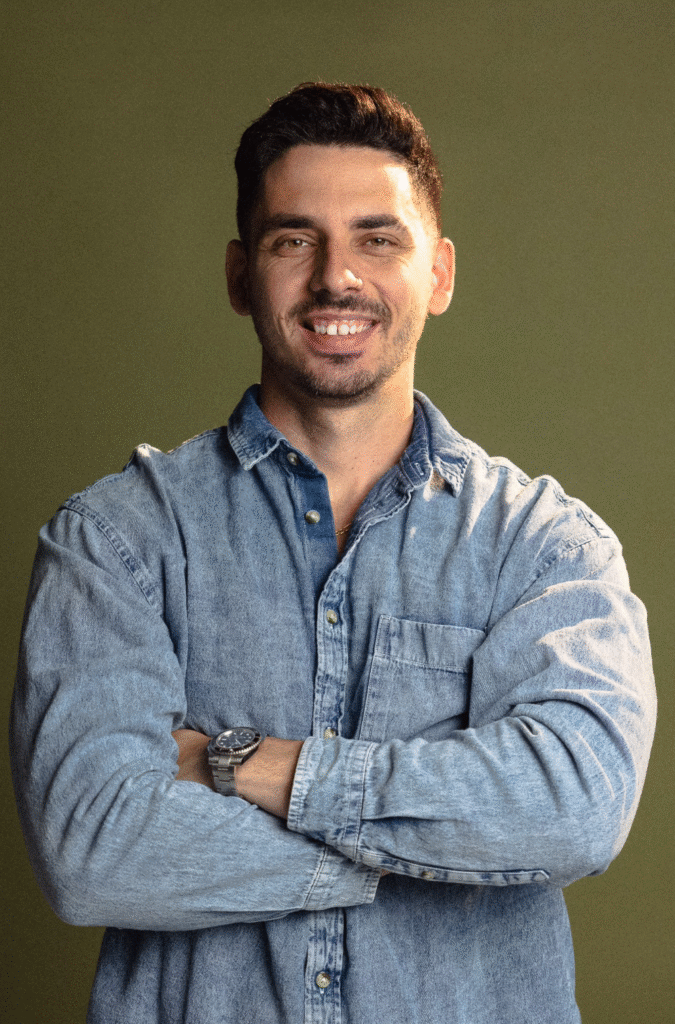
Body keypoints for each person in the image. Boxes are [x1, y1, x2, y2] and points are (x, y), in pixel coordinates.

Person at [11, 83, 656, 1024]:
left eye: (376, 239)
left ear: (438, 273)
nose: (335, 278)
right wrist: (441, 847)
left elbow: (574, 807)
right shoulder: (116, 540)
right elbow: (92, 850)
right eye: (293, 240)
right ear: (240, 276)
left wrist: (235, 764)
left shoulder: (545, 547)